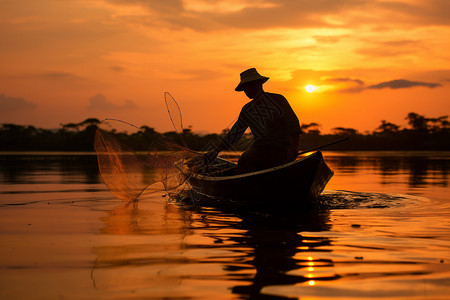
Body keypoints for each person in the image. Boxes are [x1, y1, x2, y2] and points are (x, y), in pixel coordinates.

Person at [204, 68, 301, 174]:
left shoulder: (278, 100)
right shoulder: (247, 110)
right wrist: (216, 150)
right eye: (244, 88)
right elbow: (235, 133)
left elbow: (294, 124)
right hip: (260, 148)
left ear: (258, 84)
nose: (246, 91)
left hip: (282, 147)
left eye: (248, 87)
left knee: (252, 160)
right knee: (245, 159)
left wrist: (294, 147)